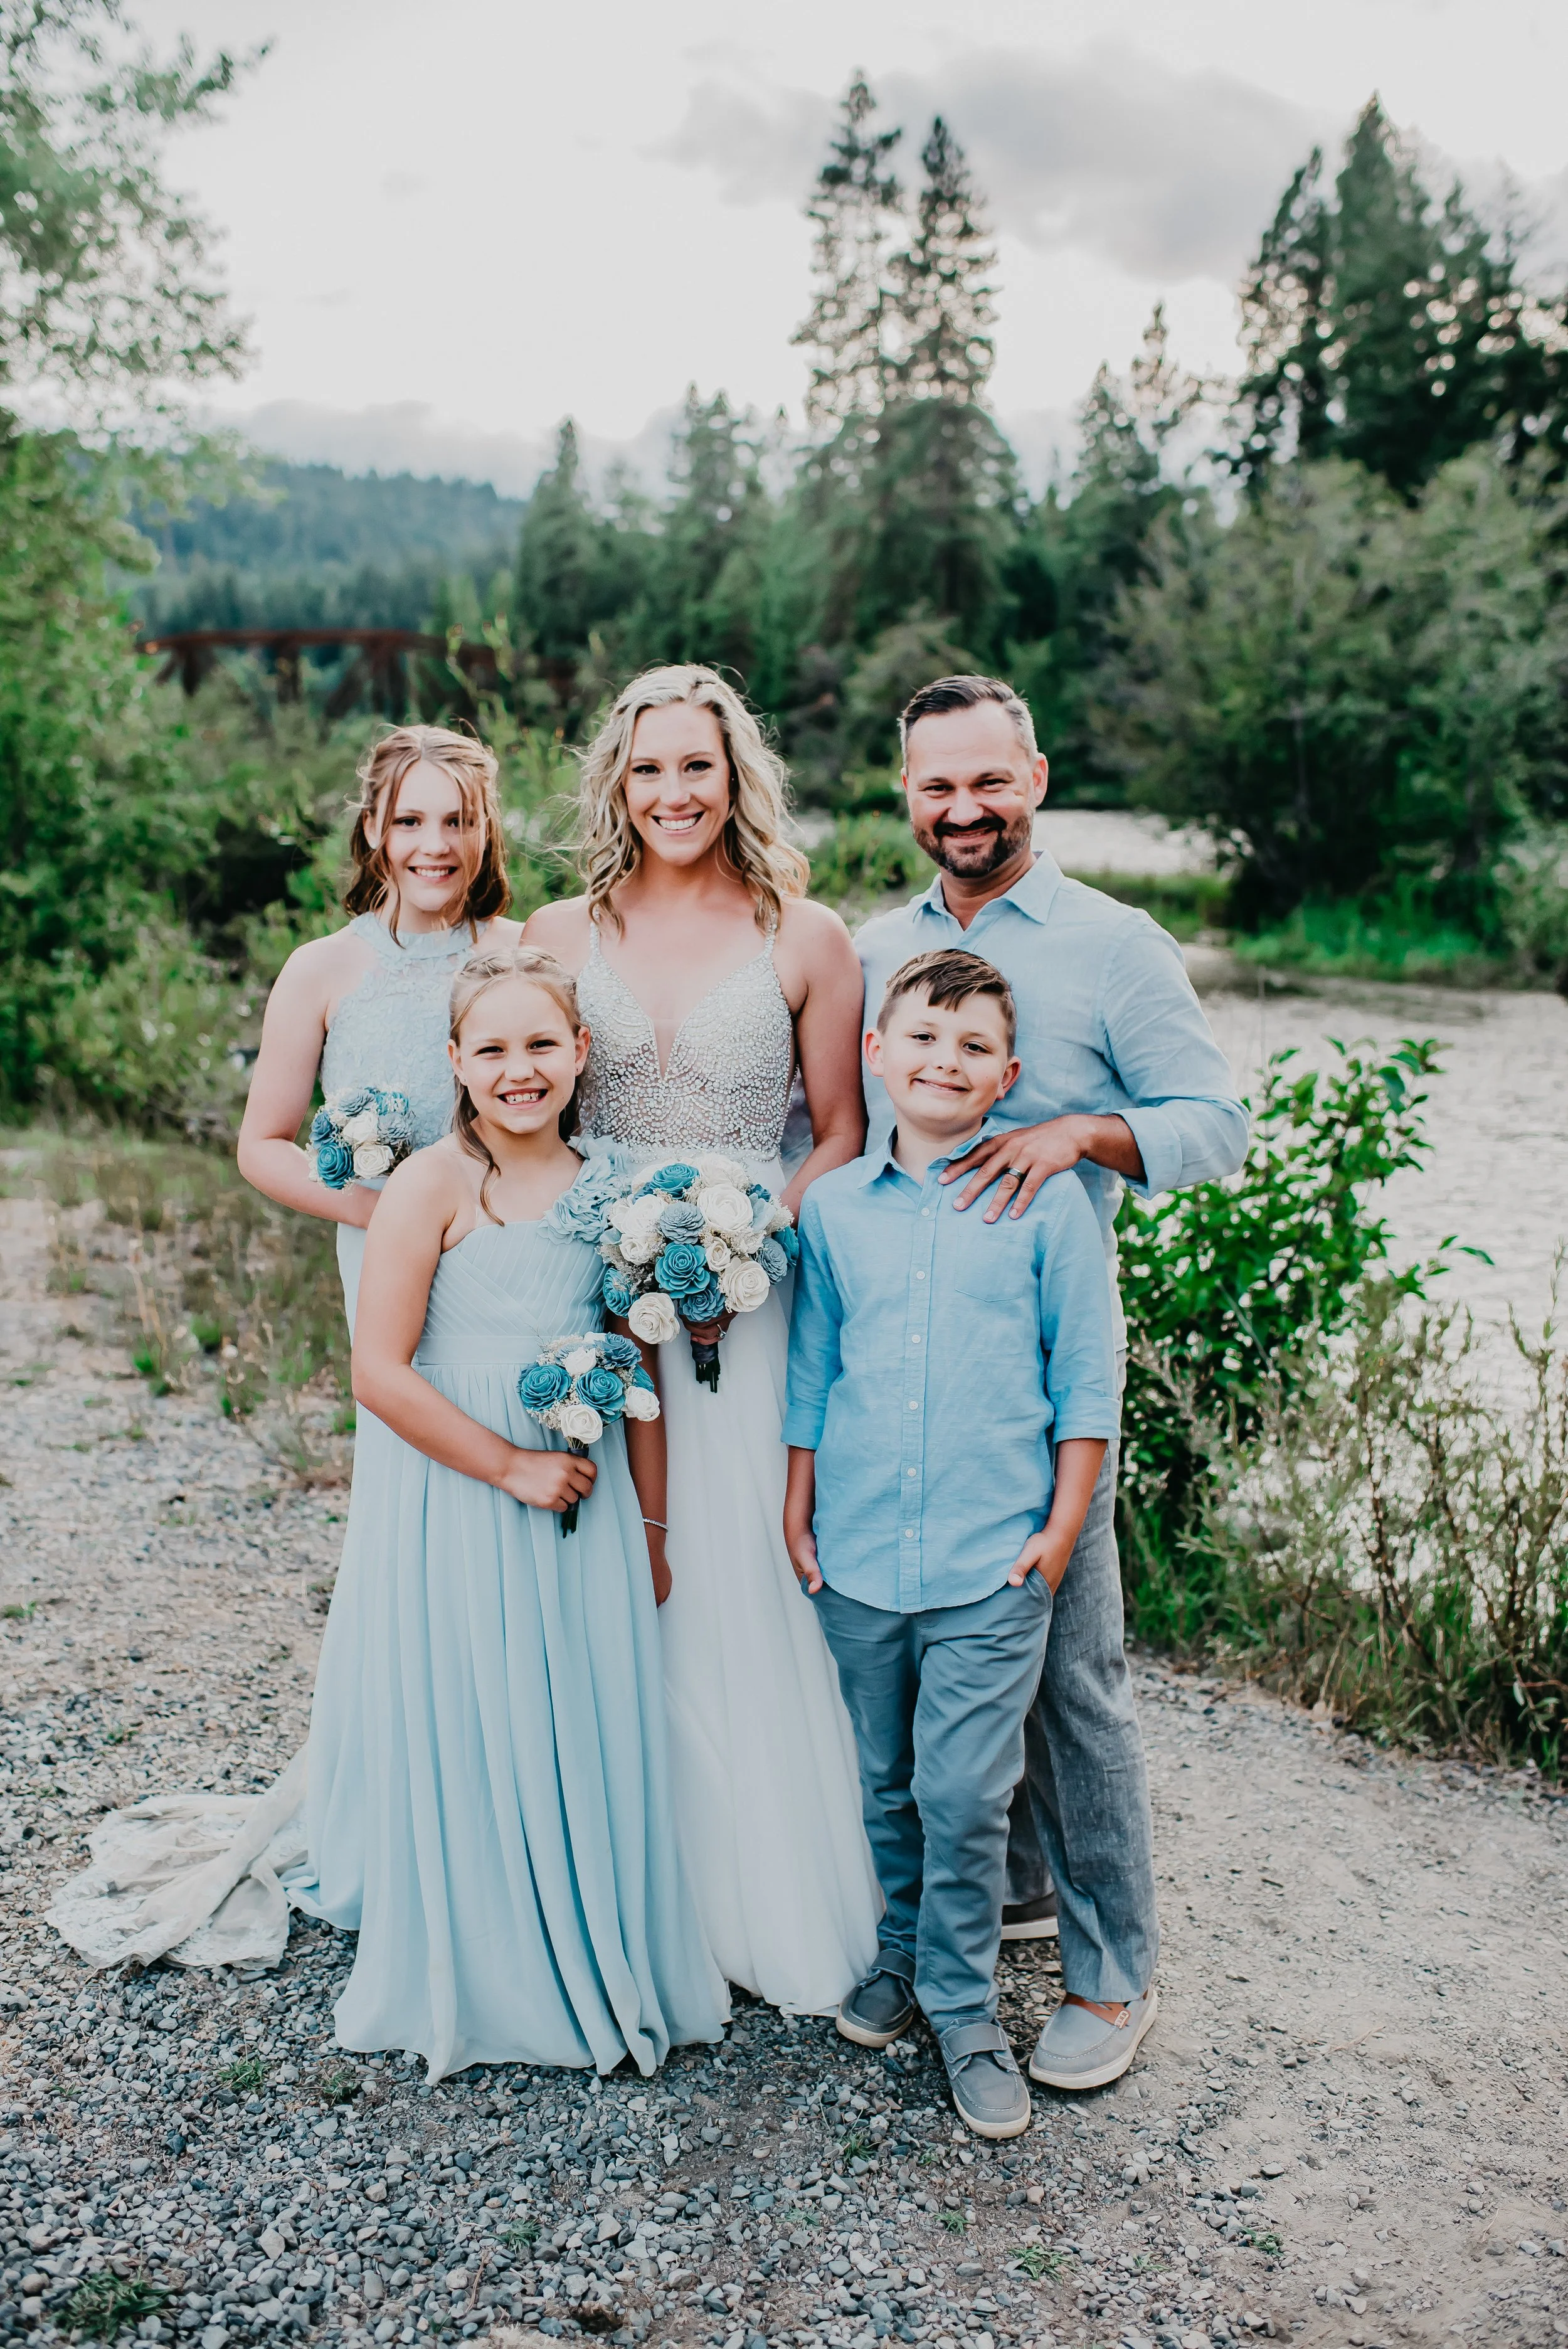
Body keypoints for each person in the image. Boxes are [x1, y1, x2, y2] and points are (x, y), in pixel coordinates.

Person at [856, 674, 1248, 2091]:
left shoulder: (1112, 945)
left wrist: (1082, 1133)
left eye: (987, 781)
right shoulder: (868, 952)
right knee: (930, 1658)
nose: (962, 810)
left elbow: (1218, 1123)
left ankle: (1109, 1971)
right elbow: (832, 1130)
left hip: (1038, 1377)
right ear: (905, 795)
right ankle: (1002, 1893)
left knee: (1071, 1676)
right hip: (896, 1379)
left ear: (1035, 774)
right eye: (934, 787)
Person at [524, 664, 882, 2015]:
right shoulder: (559, 929)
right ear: (617, 781)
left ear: (736, 779)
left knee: (740, 1569)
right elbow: (522, 1106)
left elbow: (837, 1133)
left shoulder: (807, 935)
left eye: (698, 767)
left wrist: (752, 1241)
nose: (673, 793)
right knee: (608, 1555)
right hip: (590, 1285)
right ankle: (604, 1886)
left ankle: (753, 1896)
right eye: (649, 768)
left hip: (749, 1293)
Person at [304, 945, 728, 2076]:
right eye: (491, 1049)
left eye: (541, 1043)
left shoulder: (619, 1187)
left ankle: (591, 1939)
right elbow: (379, 1372)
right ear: (456, 1061)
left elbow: (645, 1373)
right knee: (478, 1708)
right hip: (470, 1493)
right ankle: (487, 1961)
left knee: (578, 1714)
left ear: (581, 1052)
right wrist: (508, 1467)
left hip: (590, 1511)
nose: (519, 1069)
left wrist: (654, 1529)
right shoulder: (432, 1184)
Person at [784, 950, 1120, 2138]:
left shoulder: (1050, 1205)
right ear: (875, 1054)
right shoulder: (831, 1209)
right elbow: (815, 1363)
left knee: (966, 1792)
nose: (945, 1061)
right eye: (924, 1038)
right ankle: (897, 1952)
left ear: (1007, 1076)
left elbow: (1085, 1378)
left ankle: (965, 2010)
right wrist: (795, 1500)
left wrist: (1061, 1531)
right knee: (885, 1782)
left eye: (974, 1048)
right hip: (861, 1553)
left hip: (994, 1564)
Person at [237, 724, 521, 1331]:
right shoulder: (319, 968)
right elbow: (262, 1146)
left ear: (485, 829)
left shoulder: (529, 953)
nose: (435, 845)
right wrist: (385, 1211)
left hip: (517, 1243)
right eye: (409, 821)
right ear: (372, 827)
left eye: (458, 821)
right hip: (385, 1248)